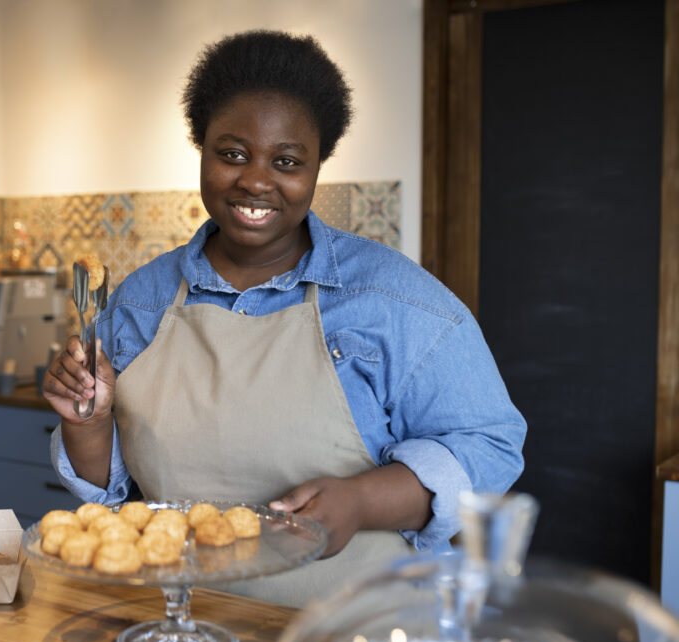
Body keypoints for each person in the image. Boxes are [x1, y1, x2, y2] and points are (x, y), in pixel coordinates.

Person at [42, 29, 525, 607]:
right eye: (233, 154)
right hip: (185, 626)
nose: (256, 180)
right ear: (201, 149)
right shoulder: (141, 301)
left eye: (288, 161)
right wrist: (87, 425)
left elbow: (490, 447)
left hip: (362, 635)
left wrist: (362, 501)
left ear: (318, 165)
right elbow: (114, 499)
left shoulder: (396, 300)